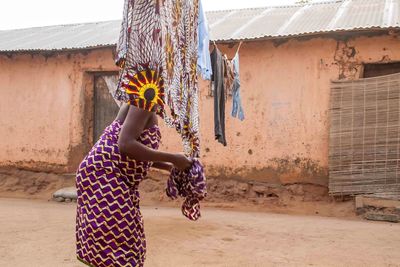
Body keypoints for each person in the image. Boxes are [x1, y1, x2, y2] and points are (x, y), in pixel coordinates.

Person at [75, 103, 192, 267]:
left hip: (105, 174)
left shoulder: (143, 99)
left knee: (123, 242)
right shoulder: (145, 97)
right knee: (119, 245)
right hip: (105, 175)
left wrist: (169, 166)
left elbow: (132, 151)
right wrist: (174, 158)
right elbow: (126, 145)